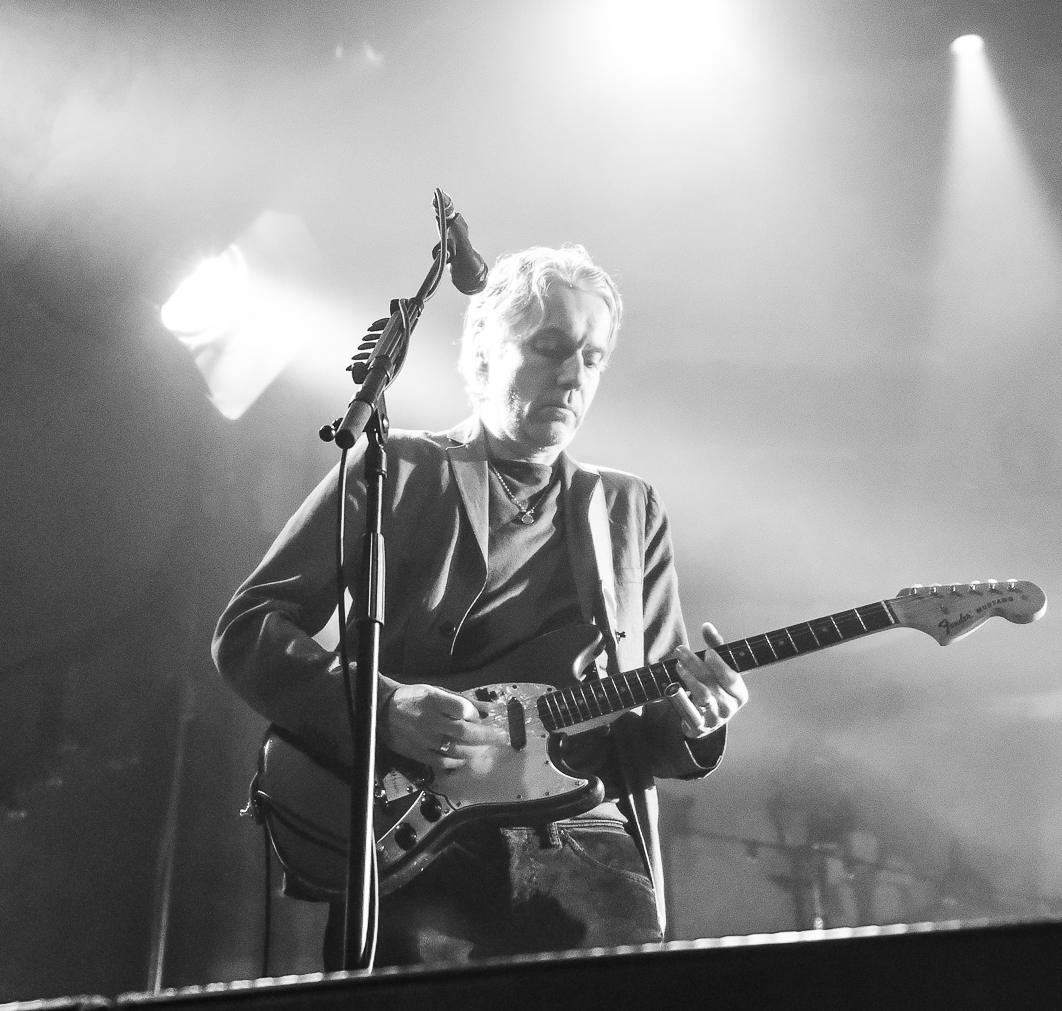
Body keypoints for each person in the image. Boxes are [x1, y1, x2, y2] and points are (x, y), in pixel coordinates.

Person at [214, 244, 748, 967]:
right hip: (416, 826)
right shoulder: (397, 470)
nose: (573, 375)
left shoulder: (629, 509)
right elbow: (247, 631)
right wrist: (384, 705)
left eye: (592, 357)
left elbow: (649, 722)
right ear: (485, 355)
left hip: (582, 837)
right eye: (550, 348)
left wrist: (692, 721)